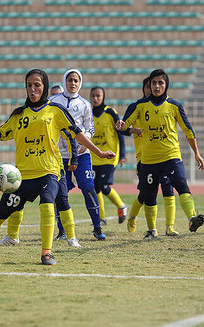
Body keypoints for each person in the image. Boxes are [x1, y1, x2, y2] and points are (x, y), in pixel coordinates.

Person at [0, 69, 114, 265]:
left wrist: (98, 152)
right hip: (21, 176)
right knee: (1, 212)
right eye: (29, 85)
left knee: (48, 203)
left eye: (37, 85)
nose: (33, 89)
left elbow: (77, 134)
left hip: (48, 171)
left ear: (45, 87)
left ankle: (46, 253)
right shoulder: (18, 115)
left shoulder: (55, 110)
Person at [116, 69, 204, 240]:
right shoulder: (140, 105)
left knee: (182, 187)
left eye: (160, 83)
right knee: (148, 195)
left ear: (166, 85)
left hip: (171, 156)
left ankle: (191, 219)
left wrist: (197, 153)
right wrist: (121, 124)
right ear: (149, 85)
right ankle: (151, 230)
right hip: (148, 160)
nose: (157, 86)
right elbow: (125, 125)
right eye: (154, 83)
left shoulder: (174, 106)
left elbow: (188, 131)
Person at [49, 69, 106, 240]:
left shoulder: (85, 104)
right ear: (65, 81)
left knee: (88, 188)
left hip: (82, 155)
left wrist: (85, 140)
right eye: (70, 80)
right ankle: (62, 231)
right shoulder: (52, 101)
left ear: (80, 83)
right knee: (61, 193)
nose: (73, 83)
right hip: (60, 156)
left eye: (76, 80)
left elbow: (90, 128)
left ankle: (97, 227)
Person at [126, 77, 179, 236]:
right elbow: (120, 128)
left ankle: (169, 227)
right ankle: (133, 216)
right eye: (149, 86)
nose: (152, 88)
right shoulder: (137, 107)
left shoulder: (165, 106)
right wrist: (132, 130)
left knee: (168, 188)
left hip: (164, 155)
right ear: (144, 88)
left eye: (156, 85)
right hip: (144, 158)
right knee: (146, 194)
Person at [89, 86, 129, 225]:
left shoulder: (111, 112)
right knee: (95, 187)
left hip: (110, 156)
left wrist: (122, 154)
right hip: (94, 157)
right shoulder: (88, 113)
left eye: (98, 96)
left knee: (104, 186)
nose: (95, 98)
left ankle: (121, 206)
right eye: (93, 95)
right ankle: (101, 218)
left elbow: (120, 134)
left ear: (103, 97)